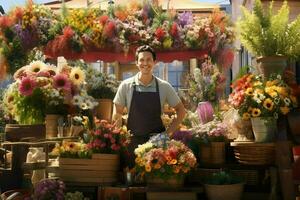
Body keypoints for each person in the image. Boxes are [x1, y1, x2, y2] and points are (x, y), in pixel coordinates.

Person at [113, 45, 186, 168]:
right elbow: (117, 113)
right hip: (132, 143)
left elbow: (181, 111)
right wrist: (120, 134)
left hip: (157, 143)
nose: (145, 63)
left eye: (148, 60)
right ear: (136, 63)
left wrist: (167, 134)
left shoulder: (164, 86)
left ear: (154, 62)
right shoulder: (126, 86)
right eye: (141, 60)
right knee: (133, 181)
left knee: (155, 181)